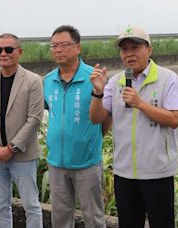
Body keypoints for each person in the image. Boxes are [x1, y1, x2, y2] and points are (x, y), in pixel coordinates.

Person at [89, 26, 178, 228]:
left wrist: (140, 103)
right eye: (124, 49)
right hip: (124, 174)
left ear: (149, 50)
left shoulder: (168, 78)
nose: (129, 54)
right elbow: (96, 118)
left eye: (135, 47)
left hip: (157, 173)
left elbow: (174, 119)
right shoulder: (115, 82)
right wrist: (98, 92)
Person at [0, 33, 44, 228]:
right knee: (1, 205)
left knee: (31, 205)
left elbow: (35, 119)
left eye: (8, 49)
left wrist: (11, 148)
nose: (3, 53)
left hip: (23, 155)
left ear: (19, 52)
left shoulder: (33, 80)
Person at [43, 25, 109, 228]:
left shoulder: (94, 78)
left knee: (94, 217)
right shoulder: (48, 80)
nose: (58, 50)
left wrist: (90, 139)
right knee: (60, 217)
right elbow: (50, 113)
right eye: (54, 46)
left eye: (64, 45)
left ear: (78, 48)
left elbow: (106, 117)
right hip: (57, 163)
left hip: (87, 163)